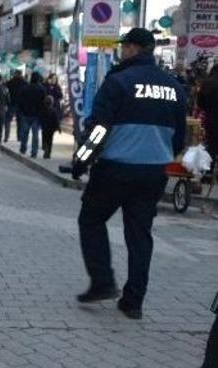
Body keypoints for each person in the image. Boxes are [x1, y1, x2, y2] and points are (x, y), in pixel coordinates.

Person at [71, 28, 186, 320]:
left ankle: (103, 282)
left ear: (134, 48)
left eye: (125, 47)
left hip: (115, 170)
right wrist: (160, 157)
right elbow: (179, 138)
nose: (122, 51)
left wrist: (80, 161)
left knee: (91, 219)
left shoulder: (118, 81)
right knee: (139, 235)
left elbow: (98, 131)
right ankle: (133, 302)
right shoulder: (174, 87)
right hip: (153, 172)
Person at [17, 72, 46, 158]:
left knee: (24, 133)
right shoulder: (42, 89)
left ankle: (23, 148)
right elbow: (44, 103)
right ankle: (34, 152)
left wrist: (22, 110)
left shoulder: (24, 88)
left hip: (26, 114)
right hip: (36, 115)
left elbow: (20, 101)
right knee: (35, 134)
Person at [5, 71, 27, 142]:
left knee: (7, 121)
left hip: (11, 104)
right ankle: (19, 137)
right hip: (21, 105)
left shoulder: (10, 82)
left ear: (15, 74)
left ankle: (6, 136)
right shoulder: (25, 83)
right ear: (21, 75)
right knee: (20, 122)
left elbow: (6, 92)